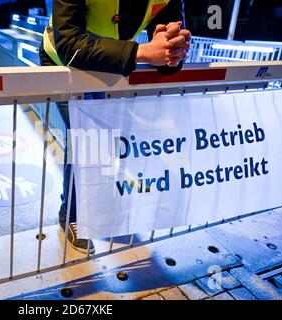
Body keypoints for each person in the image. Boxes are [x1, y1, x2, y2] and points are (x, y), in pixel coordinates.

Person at [39, 0, 191, 254]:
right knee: (85, 139)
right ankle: (70, 216)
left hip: (104, 64)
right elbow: (68, 44)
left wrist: (173, 51)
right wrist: (142, 53)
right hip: (62, 62)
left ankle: (98, 204)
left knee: (100, 139)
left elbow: (168, 51)